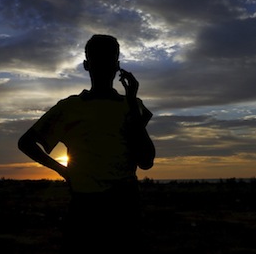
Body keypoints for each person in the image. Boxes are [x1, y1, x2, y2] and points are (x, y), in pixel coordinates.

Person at [18, 34, 155, 251]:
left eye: (108, 60)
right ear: (86, 65)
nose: (103, 65)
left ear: (117, 66)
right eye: (97, 59)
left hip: (124, 208)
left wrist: (131, 104)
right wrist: (64, 172)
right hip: (86, 207)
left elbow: (146, 161)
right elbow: (26, 143)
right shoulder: (69, 107)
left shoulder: (133, 105)